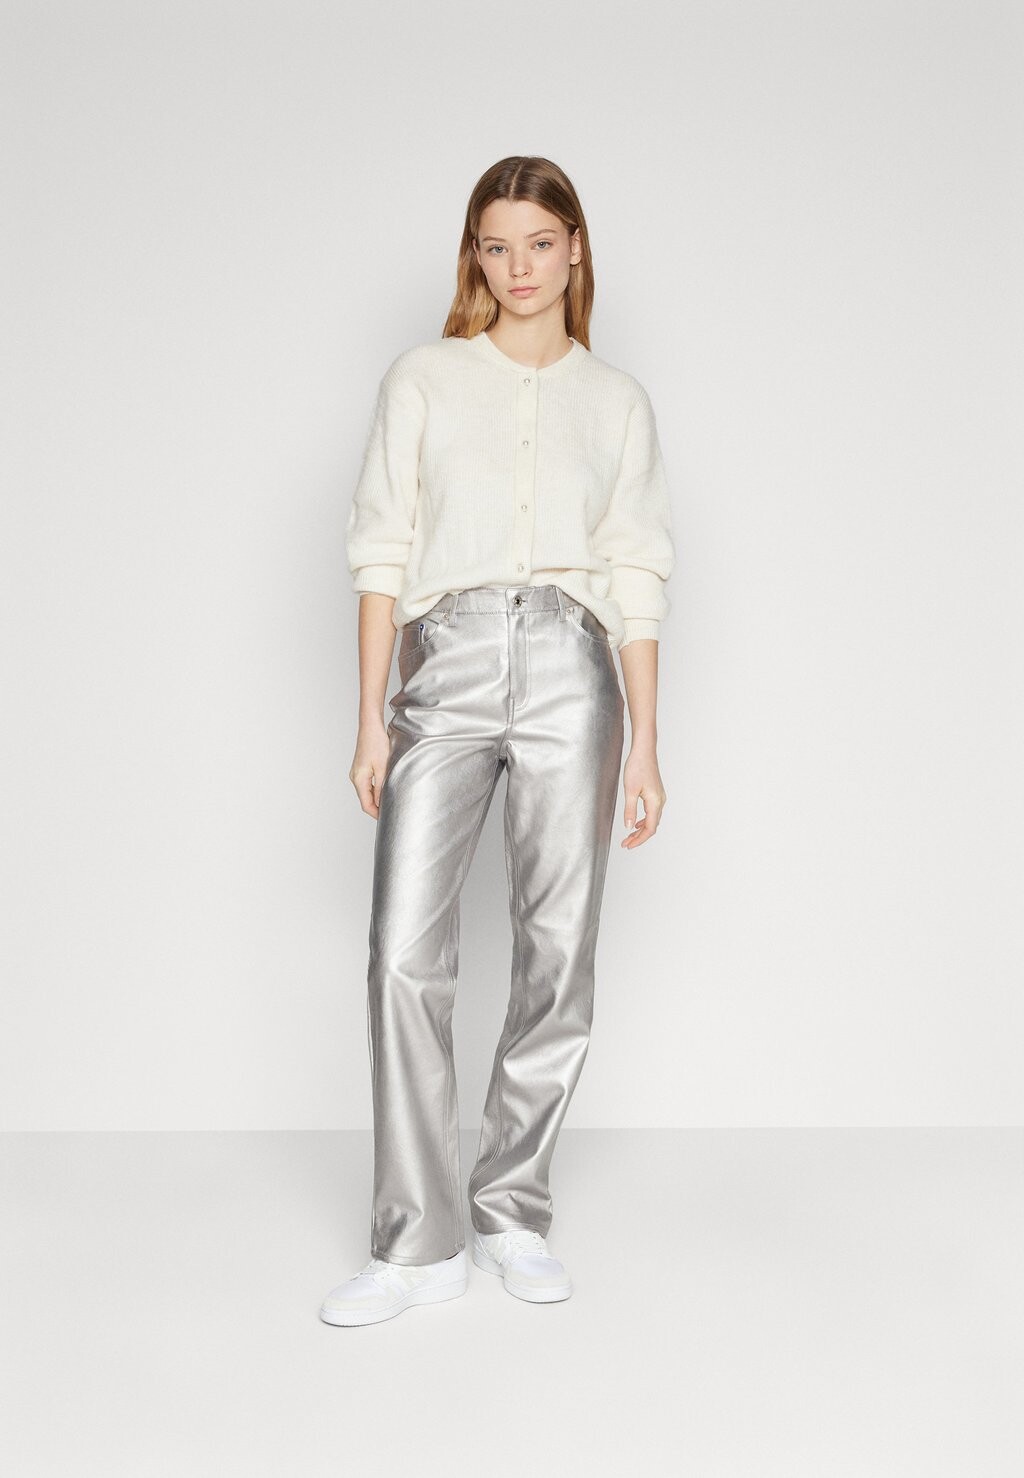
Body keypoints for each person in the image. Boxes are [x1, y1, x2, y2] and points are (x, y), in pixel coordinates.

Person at [320, 156, 675, 1327]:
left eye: (538, 242)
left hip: (575, 668)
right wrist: (369, 714)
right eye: (494, 244)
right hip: (450, 658)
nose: (517, 267)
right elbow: (382, 546)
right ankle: (414, 1241)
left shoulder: (614, 401)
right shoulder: (423, 377)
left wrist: (646, 740)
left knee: (557, 951)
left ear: (575, 248)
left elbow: (636, 573)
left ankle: (511, 1208)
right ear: (473, 256)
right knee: (401, 954)